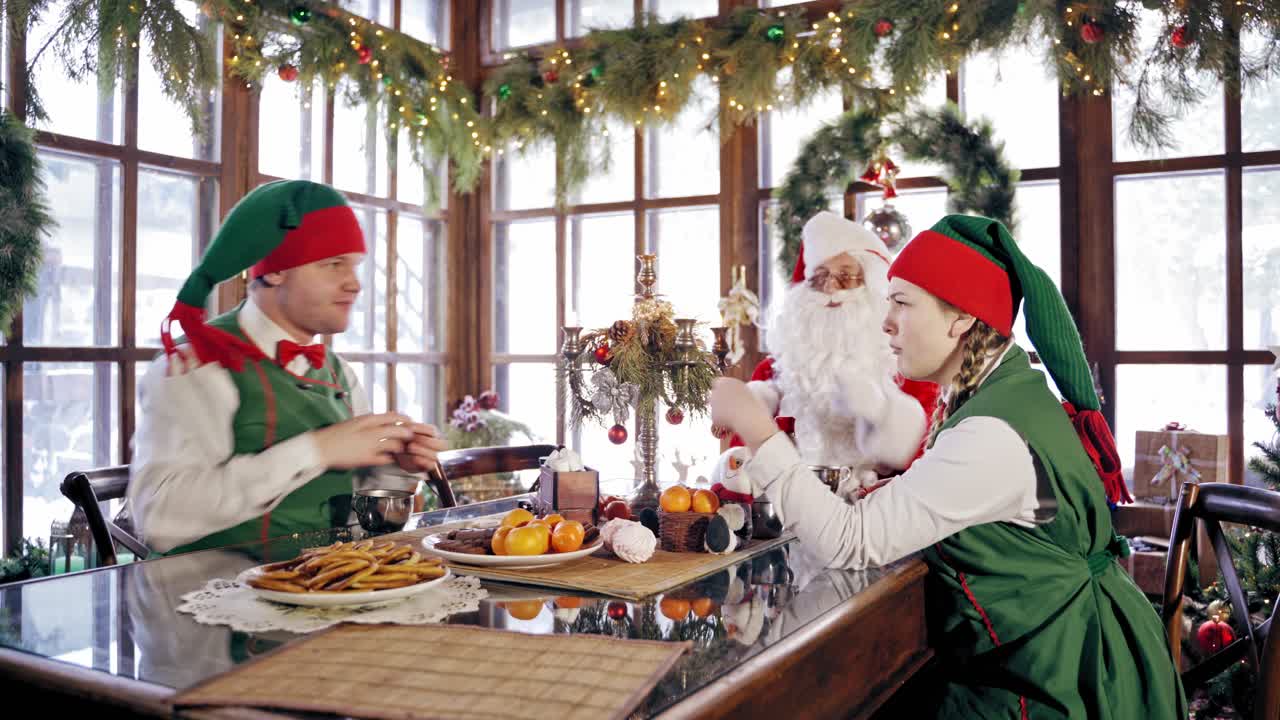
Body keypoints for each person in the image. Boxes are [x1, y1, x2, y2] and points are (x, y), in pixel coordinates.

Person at [709, 215, 1184, 718]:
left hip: (1061, 681)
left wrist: (756, 427)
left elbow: (851, 542)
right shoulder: (1000, 394)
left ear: (961, 318)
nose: (884, 321)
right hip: (1040, 651)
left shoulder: (991, 435)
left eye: (903, 304)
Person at [128, 180, 446, 555]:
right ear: (276, 271)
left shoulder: (339, 373)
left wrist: (397, 468)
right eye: (333, 265)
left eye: (355, 265)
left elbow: (363, 520)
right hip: (214, 601)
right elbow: (158, 518)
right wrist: (317, 450)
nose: (354, 284)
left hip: (327, 594)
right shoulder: (196, 365)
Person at [727, 211, 937, 498]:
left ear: (873, 287)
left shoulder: (913, 372)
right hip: (783, 525)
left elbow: (929, 468)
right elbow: (737, 465)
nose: (830, 288)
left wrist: (883, 415)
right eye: (819, 276)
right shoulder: (771, 375)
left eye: (846, 276)